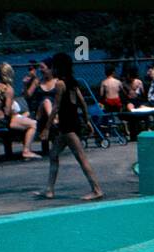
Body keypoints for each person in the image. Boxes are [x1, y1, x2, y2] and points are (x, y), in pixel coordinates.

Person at [37, 52, 104, 201]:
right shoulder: (72, 82)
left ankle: (97, 189)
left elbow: (55, 107)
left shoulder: (60, 84)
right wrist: (87, 121)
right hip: (70, 124)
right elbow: (82, 103)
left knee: (81, 158)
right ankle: (49, 190)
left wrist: (47, 128)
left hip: (67, 126)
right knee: (54, 154)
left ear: (57, 67)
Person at [0, 65, 39, 159]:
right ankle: (26, 151)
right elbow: (7, 112)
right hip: (1, 122)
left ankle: (24, 148)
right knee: (33, 124)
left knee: (23, 120)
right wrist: (17, 114)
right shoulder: (8, 89)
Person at [23, 60, 58, 147]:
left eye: (42, 67)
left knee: (50, 104)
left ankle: (53, 122)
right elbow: (28, 96)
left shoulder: (57, 82)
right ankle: (54, 121)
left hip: (55, 112)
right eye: (39, 68)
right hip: (40, 113)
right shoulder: (37, 82)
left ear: (50, 69)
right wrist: (25, 85)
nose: (40, 70)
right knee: (46, 101)